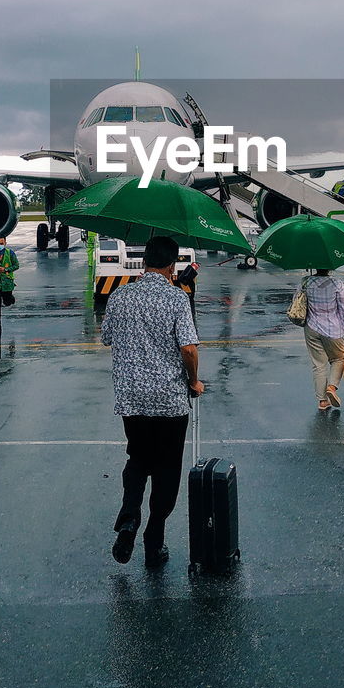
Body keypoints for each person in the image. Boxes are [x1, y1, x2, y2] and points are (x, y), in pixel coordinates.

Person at [101, 235, 204, 569]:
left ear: (144, 262)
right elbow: (188, 348)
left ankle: (129, 516)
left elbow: (107, 338)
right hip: (169, 399)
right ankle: (154, 538)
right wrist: (194, 381)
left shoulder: (119, 295)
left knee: (137, 458)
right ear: (172, 266)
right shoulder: (176, 299)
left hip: (132, 397)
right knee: (166, 468)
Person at [297, 268, 344, 411]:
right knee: (338, 359)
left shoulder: (305, 282)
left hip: (311, 327)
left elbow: (297, 302)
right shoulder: (336, 284)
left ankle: (322, 401)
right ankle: (332, 387)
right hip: (333, 329)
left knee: (318, 364)